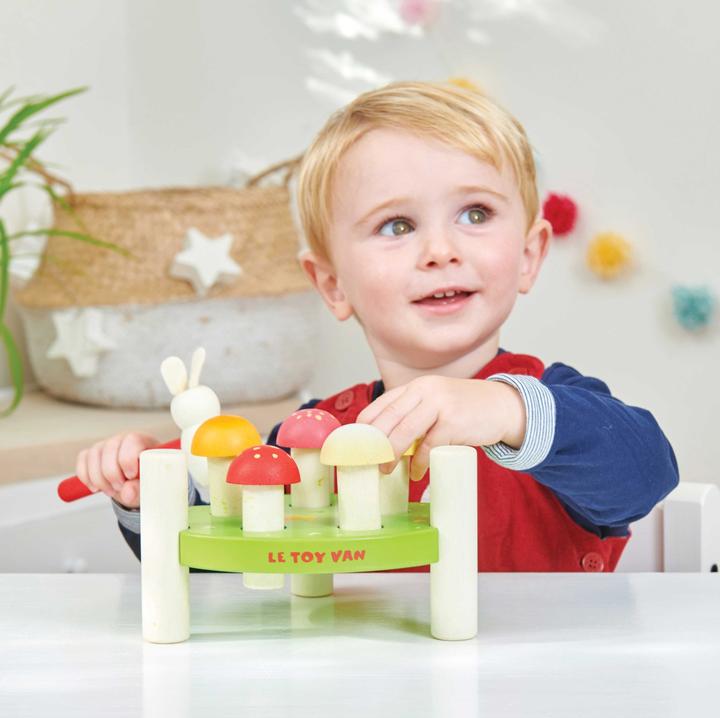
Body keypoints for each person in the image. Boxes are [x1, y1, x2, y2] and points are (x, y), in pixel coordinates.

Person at [75, 81, 678, 571]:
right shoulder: (307, 440)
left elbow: (648, 473)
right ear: (332, 284)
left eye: (475, 213)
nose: (440, 250)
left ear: (528, 255)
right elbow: (223, 567)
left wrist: (507, 412)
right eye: (397, 226)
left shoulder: (556, 411)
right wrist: (152, 493)